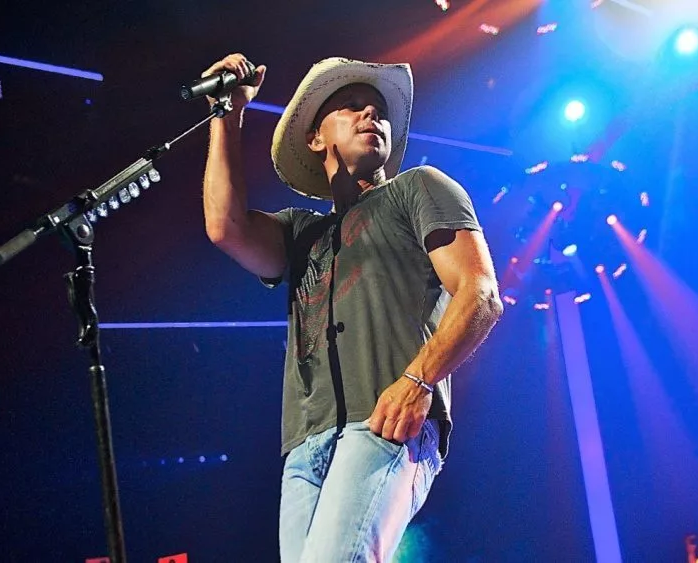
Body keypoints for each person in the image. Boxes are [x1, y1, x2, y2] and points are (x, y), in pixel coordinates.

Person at [200, 53, 502, 562]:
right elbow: (224, 227)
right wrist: (227, 118)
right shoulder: (302, 233)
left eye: (378, 110)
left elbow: (481, 294)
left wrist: (419, 381)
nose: (371, 116)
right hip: (305, 447)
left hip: (385, 422)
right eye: (351, 107)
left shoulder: (418, 188)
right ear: (316, 139)